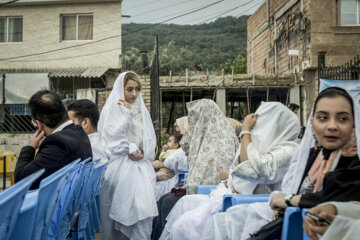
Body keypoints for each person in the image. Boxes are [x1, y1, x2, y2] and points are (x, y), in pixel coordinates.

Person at [202, 86, 360, 240]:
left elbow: (339, 195)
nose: (332, 126)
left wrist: (290, 200)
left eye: (342, 119)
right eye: (323, 118)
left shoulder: (351, 161)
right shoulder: (314, 155)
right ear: (313, 122)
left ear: (354, 123)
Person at [160, 101, 300, 240]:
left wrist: (246, 131)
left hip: (257, 205)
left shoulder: (288, 150)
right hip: (233, 194)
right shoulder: (268, 146)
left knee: (184, 222)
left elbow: (250, 168)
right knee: (181, 206)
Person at [152, 99, 239, 240]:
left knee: (166, 202)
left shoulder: (218, 142)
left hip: (211, 193)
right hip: (202, 188)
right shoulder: (208, 136)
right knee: (163, 200)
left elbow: (213, 176)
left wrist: (191, 186)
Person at [98, 72, 157, 240]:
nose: (134, 94)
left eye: (137, 89)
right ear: (120, 89)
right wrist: (126, 115)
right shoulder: (113, 110)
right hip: (119, 171)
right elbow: (112, 141)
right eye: (129, 89)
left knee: (142, 217)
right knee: (117, 220)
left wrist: (143, 153)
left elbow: (149, 140)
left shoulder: (141, 109)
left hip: (141, 170)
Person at [14, 90, 92, 189]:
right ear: (64, 110)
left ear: (39, 124)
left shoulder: (57, 143)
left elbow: (21, 180)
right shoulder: (80, 133)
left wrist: (30, 148)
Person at [67, 99, 110, 167]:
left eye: (72, 123)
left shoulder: (89, 148)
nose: (68, 128)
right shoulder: (102, 141)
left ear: (85, 123)